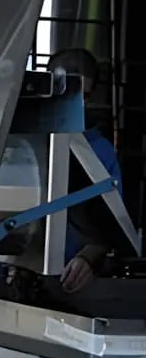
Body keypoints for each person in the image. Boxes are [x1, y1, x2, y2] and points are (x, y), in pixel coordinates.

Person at [47, 48, 124, 293]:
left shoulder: (100, 152)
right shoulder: (13, 139)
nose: (75, 105)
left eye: (83, 96)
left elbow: (111, 227)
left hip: (64, 283)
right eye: (65, 92)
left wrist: (87, 259)